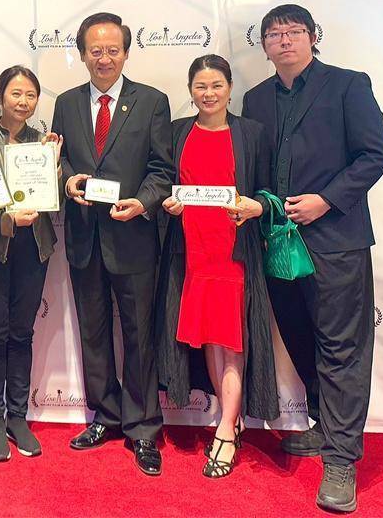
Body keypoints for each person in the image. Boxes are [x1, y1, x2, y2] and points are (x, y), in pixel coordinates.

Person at [242, 4, 383, 512]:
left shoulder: (348, 85)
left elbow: (375, 155)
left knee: (341, 348)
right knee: (299, 336)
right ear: (264, 45)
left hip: (336, 241)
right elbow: (257, 168)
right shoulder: (256, 99)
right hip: (279, 242)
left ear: (312, 36)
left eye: (294, 31)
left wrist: (326, 200)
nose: (284, 40)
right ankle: (326, 424)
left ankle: (342, 459)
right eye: (274, 34)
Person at [51, 12, 174, 476]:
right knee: (93, 331)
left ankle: (143, 427)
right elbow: (59, 160)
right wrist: (67, 181)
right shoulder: (66, 103)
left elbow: (162, 169)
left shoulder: (152, 101)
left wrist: (143, 203)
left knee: (140, 334)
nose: (104, 58)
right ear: (82, 55)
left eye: (112, 50)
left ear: (125, 52)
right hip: (85, 237)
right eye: (95, 51)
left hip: (134, 237)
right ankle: (105, 414)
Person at [155, 54, 279, 478]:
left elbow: (268, 191)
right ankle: (231, 418)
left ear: (229, 89)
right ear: (191, 91)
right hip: (192, 254)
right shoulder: (176, 132)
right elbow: (165, 183)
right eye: (201, 87)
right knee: (210, 338)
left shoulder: (251, 133)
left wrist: (256, 206)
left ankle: (226, 428)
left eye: (216, 86)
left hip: (234, 254)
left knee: (232, 341)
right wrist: (169, 204)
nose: (208, 94)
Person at [0, 66, 62, 461]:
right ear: (0, 96)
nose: (23, 102)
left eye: (30, 95)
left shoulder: (42, 142)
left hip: (34, 249)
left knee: (22, 334)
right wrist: (7, 219)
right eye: (15, 93)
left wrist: (55, 166)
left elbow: (53, 199)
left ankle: (18, 418)